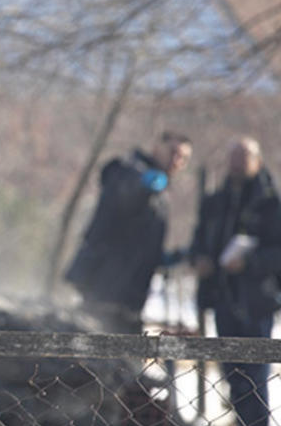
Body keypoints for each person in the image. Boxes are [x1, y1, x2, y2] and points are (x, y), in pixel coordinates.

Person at [190, 137, 281, 426]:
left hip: (256, 300)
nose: (237, 163)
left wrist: (249, 263)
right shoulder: (215, 202)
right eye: (233, 156)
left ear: (257, 161)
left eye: (244, 157)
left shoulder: (269, 203)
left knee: (256, 373)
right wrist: (201, 260)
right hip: (223, 298)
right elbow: (198, 242)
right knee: (231, 372)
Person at [65, 131, 192, 334]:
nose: (176, 160)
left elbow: (141, 243)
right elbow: (125, 195)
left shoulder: (161, 196)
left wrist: (168, 258)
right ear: (157, 147)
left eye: (183, 158)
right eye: (173, 152)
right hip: (104, 286)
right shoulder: (128, 170)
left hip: (131, 294)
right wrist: (144, 185)